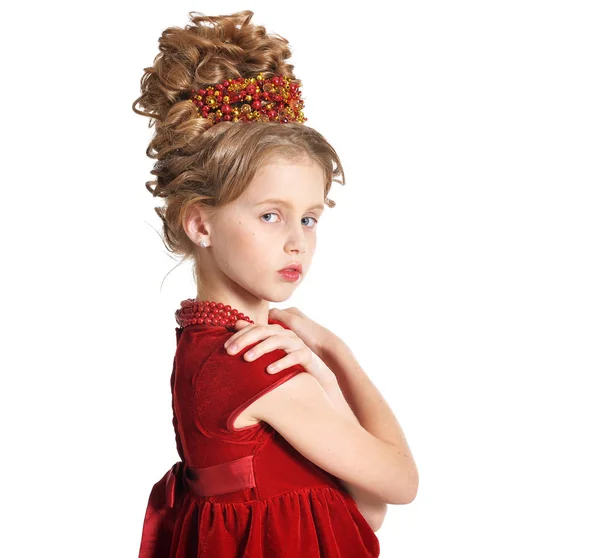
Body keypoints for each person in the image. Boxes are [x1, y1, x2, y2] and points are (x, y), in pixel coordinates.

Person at [132, 9, 418, 557]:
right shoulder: (255, 364)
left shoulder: (211, 347)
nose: (297, 241)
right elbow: (400, 484)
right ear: (200, 223)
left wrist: (324, 371)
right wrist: (337, 354)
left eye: (309, 217)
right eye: (270, 215)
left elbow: (364, 510)